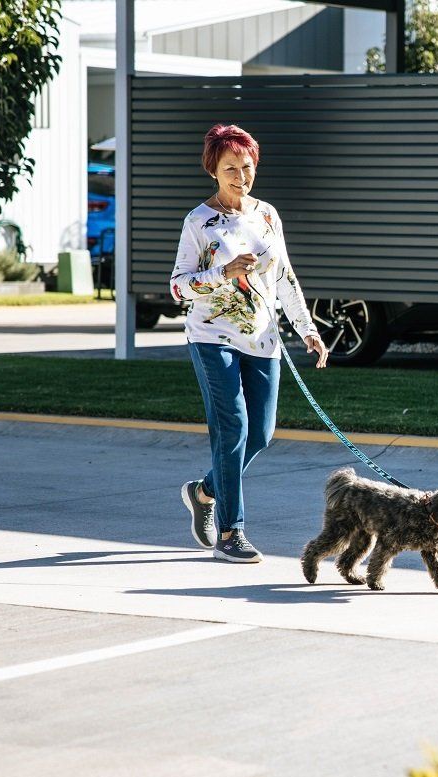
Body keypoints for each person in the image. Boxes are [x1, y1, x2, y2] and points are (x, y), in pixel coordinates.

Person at [171, 123, 329, 563]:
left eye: (247, 166)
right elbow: (179, 288)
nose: (241, 176)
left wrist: (308, 329)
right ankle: (230, 532)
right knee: (233, 429)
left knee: (259, 432)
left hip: (262, 339)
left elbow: (283, 276)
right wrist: (223, 273)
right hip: (211, 338)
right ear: (213, 172)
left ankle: (203, 491)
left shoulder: (267, 215)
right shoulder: (199, 222)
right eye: (230, 169)